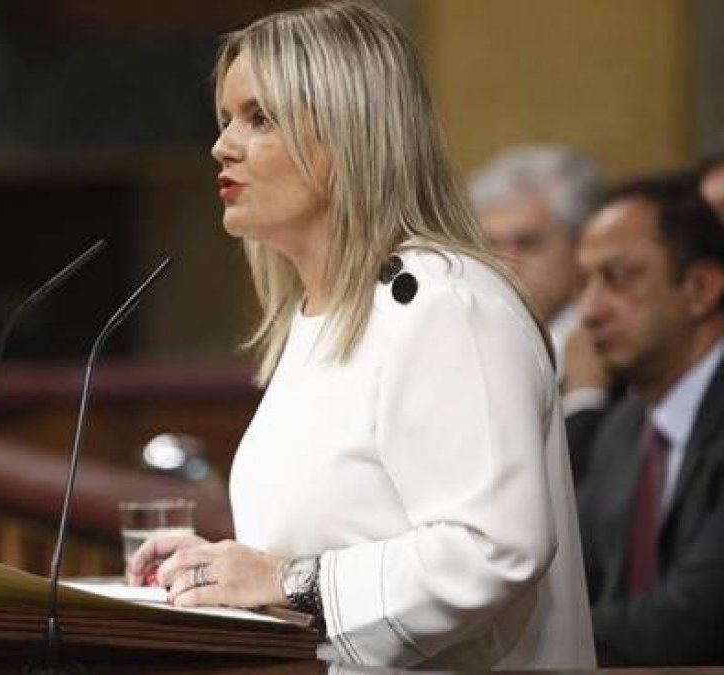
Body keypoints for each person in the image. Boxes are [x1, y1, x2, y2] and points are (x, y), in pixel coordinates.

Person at [125, 2, 594, 669]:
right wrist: (221, 570)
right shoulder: (319, 316)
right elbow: (343, 529)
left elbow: (494, 546)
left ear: (350, 132)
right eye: (226, 119)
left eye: (259, 118)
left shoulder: (442, 303)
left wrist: (286, 582)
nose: (222, 146)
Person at [573, 175, 724, 665]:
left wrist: (532, 642)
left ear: (700, 287)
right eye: (585, 283)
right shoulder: (623, 427)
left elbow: (693, 619)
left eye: (619, 278)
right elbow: (575, 582)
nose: (590, 311)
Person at [468, 145, 603, 379]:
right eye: (490, 245)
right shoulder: (468, 344)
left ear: (581, 246)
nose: (505, 264)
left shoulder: (610, 350)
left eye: (528, 243)